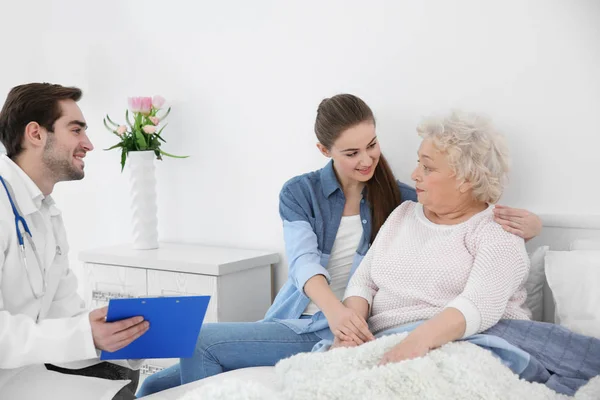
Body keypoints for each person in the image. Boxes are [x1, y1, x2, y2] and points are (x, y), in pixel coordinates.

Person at [136, 94, 542, 396]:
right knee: (185, 352)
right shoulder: (304, 193)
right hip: (315, 316)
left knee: (193, 352)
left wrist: (532, 224)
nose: (368, 159)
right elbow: (304, 262)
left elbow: (468, 223)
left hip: (359, 326)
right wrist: (341, 316)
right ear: (324, 151)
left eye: (372, 145)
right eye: (351, 152)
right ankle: (139, 389)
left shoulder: (402, 198)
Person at [333, 110, 531, 360]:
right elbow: (363, 282)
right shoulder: (402, 214)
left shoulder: (497, 231)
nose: (415, 174)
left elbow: (479, 305)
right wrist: (350, 333)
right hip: (381, 338)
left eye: (427, 167)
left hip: (460, 344)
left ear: (466, 179)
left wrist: (412, 345)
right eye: (419, 163)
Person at [0, 83, 149, 400]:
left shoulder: (46, 213)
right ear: (36, 134)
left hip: (26, 373)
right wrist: (85, 334)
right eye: (76, 130)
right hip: (10, 377)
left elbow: (64, 315)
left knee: (124, 371)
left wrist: (122, 336)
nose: (89, 144)